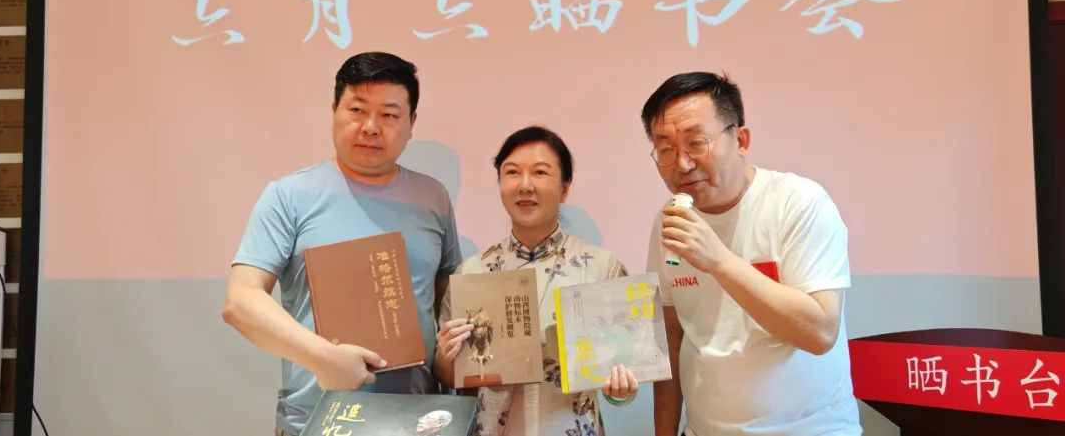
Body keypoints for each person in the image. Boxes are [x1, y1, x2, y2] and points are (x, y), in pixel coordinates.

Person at [221, 52, 462, 436]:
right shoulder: (289, 195)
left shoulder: (432, 198)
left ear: (411, 123)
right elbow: (240, 301)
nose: (371, 127)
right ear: (334, 111)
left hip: (414, 422)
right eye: (357, 110)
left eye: (389, 115)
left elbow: (448, 304)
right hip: (314, 422)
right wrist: (324, 358)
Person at [644, 73, 861, 436]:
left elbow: (820, 332)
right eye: (665, 149)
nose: (682, 163)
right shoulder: (669, 222)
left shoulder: (798, 202)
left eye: (696, 143)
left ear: (741, 140)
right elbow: (672, 337)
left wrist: (720, 261)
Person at [434, 126, 639, 436]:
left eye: (540, 172)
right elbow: (450, 378)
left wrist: (619, 390)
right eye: (512, 172)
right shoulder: (471, 273)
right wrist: (445, 356)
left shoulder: (601, 268)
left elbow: (623, 372)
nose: (525, 185)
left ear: (565, 188)